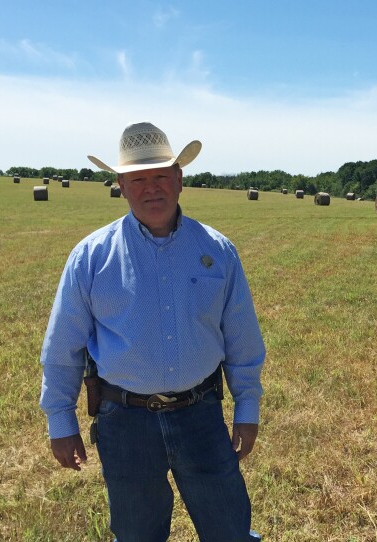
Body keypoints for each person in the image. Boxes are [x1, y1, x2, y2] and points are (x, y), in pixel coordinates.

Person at [39, 121, 265, 541]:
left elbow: (242, 340)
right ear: (121, 186)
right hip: (124, 423)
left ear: (180, 180)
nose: (151, 188)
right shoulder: (91, 257)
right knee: (137, 535)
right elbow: (62, 347)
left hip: (201, 414)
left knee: (230, 532)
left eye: (161, 175)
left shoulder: (217, 252)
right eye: (137, 178)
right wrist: (60, 419)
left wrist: (247, 407)